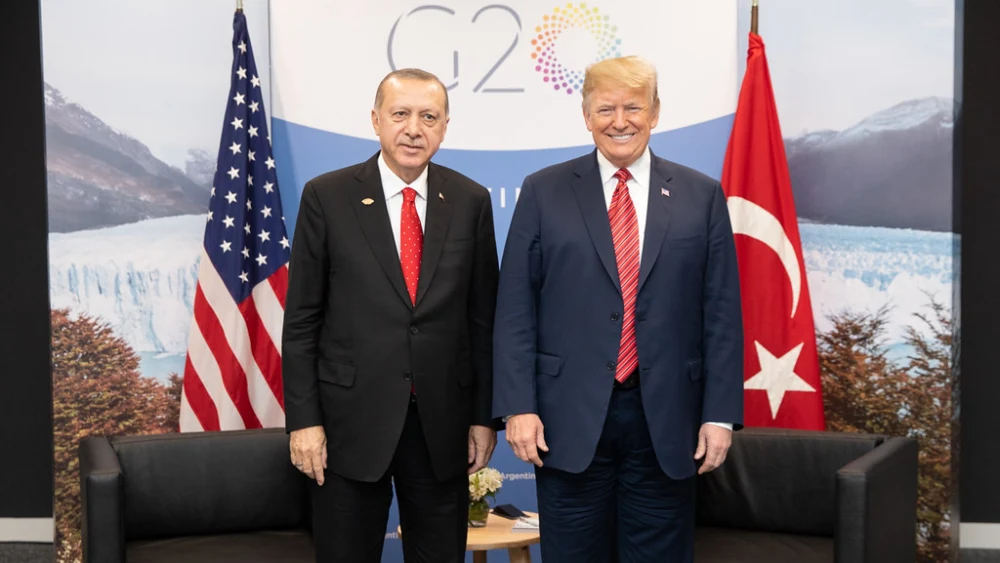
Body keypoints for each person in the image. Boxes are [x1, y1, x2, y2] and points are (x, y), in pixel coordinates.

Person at [492, 55, 744, 562]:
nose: (620, 121)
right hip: (566, 421)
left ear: (655, 112)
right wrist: (518, 406)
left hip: (669, 422)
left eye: (634, 107)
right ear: (586, 116)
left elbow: (721, 313)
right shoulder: (543, 190)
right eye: (606, 109)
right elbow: (516, 308)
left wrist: (720, 414)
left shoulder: (701, 195)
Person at [282, 68, 499, 563]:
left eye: (429, 117)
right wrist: (304, 421)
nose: (414, 129)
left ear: (445, 127)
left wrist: (483, 417)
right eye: (400, 114)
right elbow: (301, 322)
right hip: (347, 427)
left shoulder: (471, 201)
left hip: (442, 426)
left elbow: (483, 322)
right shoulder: (327, 196)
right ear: (376, 120)